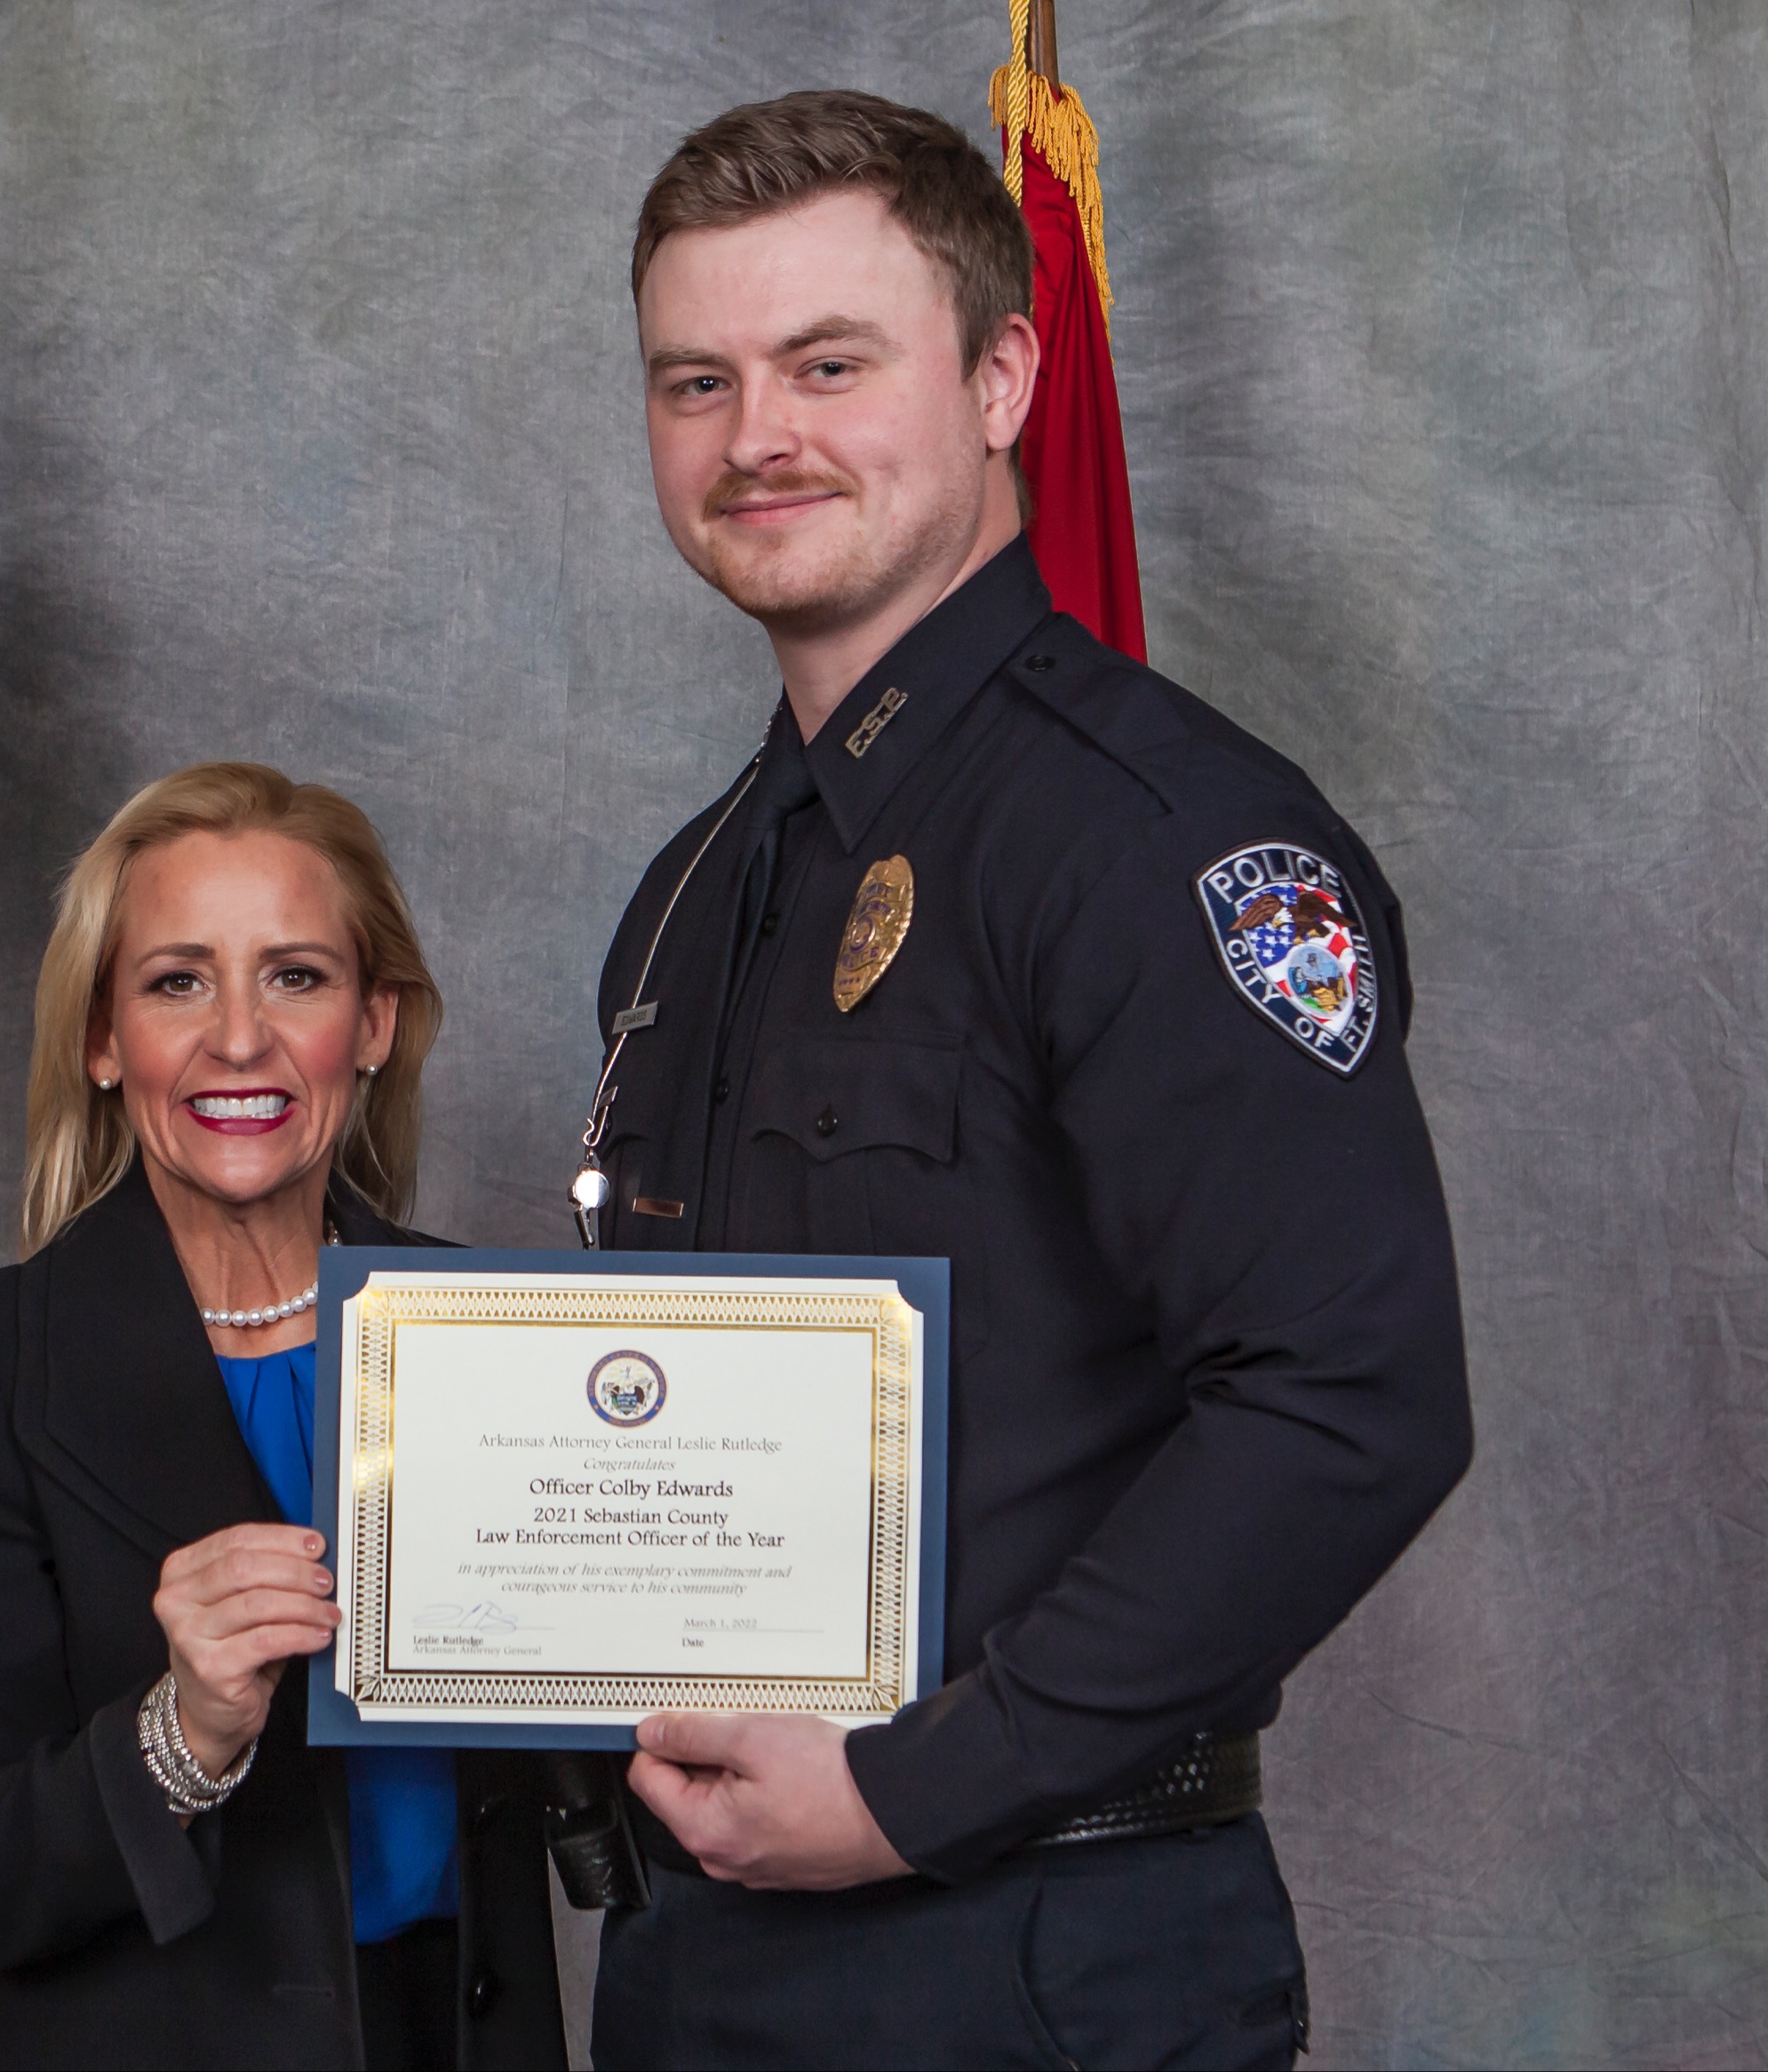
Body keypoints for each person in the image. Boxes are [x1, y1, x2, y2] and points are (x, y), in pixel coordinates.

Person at [577, 92, 1474, 2068]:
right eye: (696, 381)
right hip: (699, 1954)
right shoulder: (704, 885)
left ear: (1002, 377)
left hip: (1041, 1946)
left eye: (830, 365)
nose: (756, 439)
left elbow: (1356, 1399)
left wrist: (915, 1784)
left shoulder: (1161, 839)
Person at [0, 763, 565, 2069]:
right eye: (178, 981)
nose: (239, 1038)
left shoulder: (510, 1341)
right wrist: (184, 1732)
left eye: (296, 976)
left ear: (376, 1022)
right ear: (105, 1042)